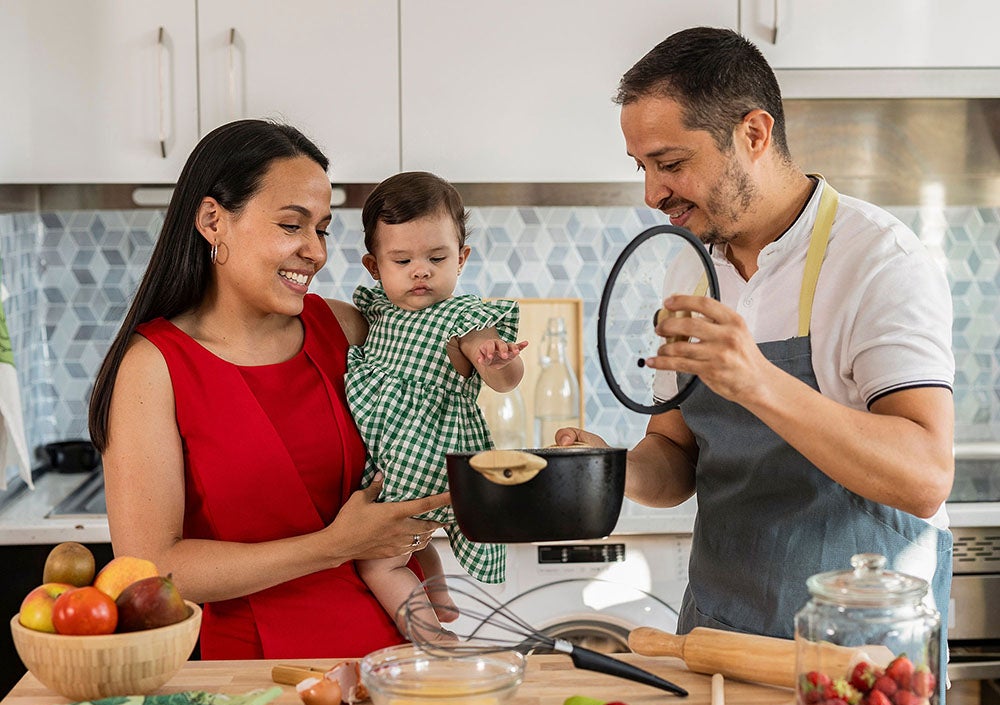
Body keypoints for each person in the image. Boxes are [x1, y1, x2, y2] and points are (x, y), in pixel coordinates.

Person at [558, 28, 954, 659]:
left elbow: (925, 475)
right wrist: (606, 471)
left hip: (856, 648)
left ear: (753, 134)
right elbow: (675, 455)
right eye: (642, 167)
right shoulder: (688, 265)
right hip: (721, 635)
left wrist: (759, 380)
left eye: (670, 163)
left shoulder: (879, 260)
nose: (651, 193)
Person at [87, 120, 449, 660]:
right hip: (254, 675)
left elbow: (446, 397)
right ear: (214, 220)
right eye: (291, 225)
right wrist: (334, 548)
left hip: (399, 660)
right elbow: (151, 567)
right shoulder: (153, 367)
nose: (315, 251)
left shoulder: (348, 331)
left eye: (322, 229)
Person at [346, 171, 527, 639]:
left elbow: (503, 380)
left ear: (462, 258)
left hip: (425, 453)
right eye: (402, 259)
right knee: (410, 535)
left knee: (377, 560)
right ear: (374, 267)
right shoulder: (380, 312)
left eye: (437, 257)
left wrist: (498, 362)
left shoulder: (464, 319)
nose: (420, 270)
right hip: (398, 452)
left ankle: (430, 633)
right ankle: (440, 595)